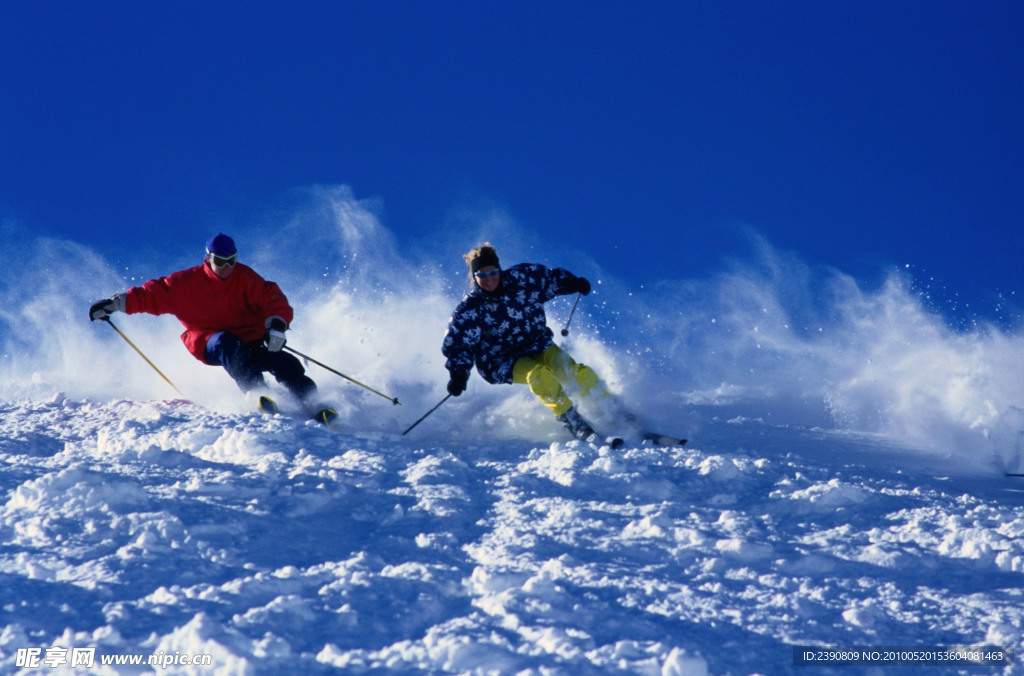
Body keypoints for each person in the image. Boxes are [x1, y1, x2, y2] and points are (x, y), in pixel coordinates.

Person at [89, 233, 334, 421]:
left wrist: (277, 326)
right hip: (209, 340)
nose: (227, 267)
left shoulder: (246, 277)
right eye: (220, 261)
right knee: (228, 344)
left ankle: (314, 403)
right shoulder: (185, 283)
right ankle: (257, 393)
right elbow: (151, 295)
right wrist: (113, 304)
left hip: (252, 338)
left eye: (232, 261)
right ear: (208, 259)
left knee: (284, 362)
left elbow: (272, 298)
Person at [442, 243, 616, 443]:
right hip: (499, 359)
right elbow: (459, 342)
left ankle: (611, 409)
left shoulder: (522, 279)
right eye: (482, 275)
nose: (489, 279)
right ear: (474, 277)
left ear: (500, 269)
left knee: (572, 370)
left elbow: (548, 280)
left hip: (536, 343)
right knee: (539, 376)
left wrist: (572, 283)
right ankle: (572, 421)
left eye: (493, 272)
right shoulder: (471, 309)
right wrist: (458, 373)